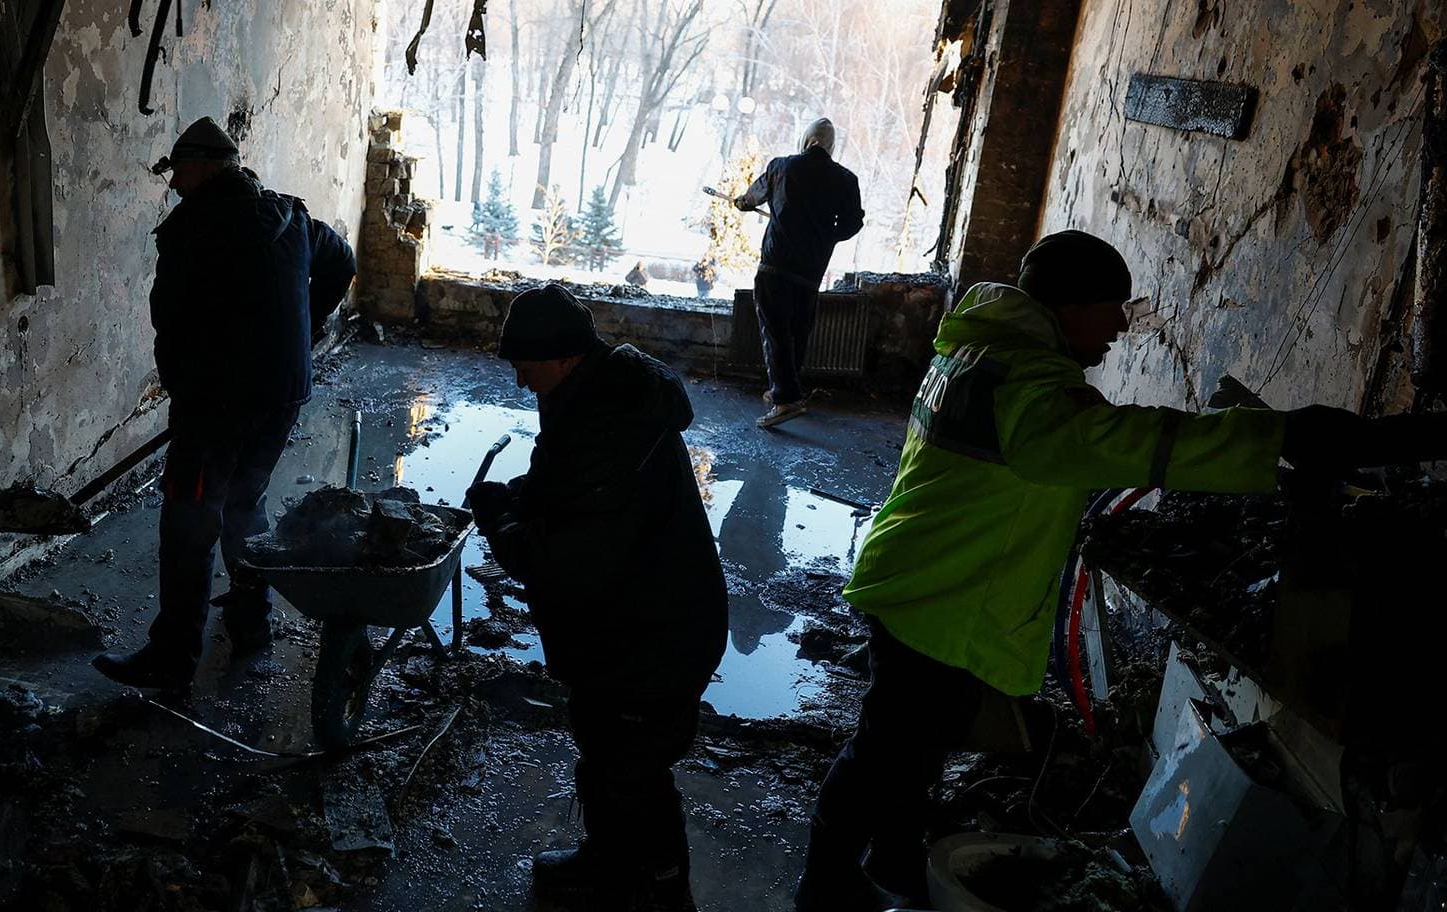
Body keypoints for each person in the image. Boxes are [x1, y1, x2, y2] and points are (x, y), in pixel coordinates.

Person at [793, 229, 1387, 910]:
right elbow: (1118, 439)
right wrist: (1279, 437)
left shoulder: (980, 348)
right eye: (1115, 307)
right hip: (938, 594)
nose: (1120, 327)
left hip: (924, 576)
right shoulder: (1031, 384)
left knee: (911, 751)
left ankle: (895, 860)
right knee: (885, 753)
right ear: (1074, 306)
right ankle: (825, 882)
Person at [466, 284, 728, 912]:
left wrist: (504, 528)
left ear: (560, 357)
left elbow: (564, 562)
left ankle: (666, 893)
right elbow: (570, 484)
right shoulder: (600, 397)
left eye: (525, 367)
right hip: (630, 625)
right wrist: (517, 497)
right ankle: (607, 861)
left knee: (631, 772)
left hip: (653, 637)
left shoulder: (608, 423)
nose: (521, 382)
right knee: (605, 750)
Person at [93, 117, 356, 697]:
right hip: (282, 392)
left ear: (206, 167)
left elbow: (174, 321)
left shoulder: (195, 230)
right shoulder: (291, 215)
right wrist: (300, 333)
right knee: (245, 503)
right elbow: (342, 265)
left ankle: (172, 658)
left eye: (179, 170)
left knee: (189, 520)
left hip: (217, 403)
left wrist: (188, 386)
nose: (175, 183)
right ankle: (250, 623)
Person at [735, 117, 864, 430]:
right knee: (797, 331)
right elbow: (852, 224)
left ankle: (786, 400)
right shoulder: (846, 180)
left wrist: (742, 203)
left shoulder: (782, 167)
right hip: (811, 271)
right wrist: (826, 235)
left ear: (806, 141)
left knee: (775, 331)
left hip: (776, 265)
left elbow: (751, 198)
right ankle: (785, 390)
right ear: (831, 146)